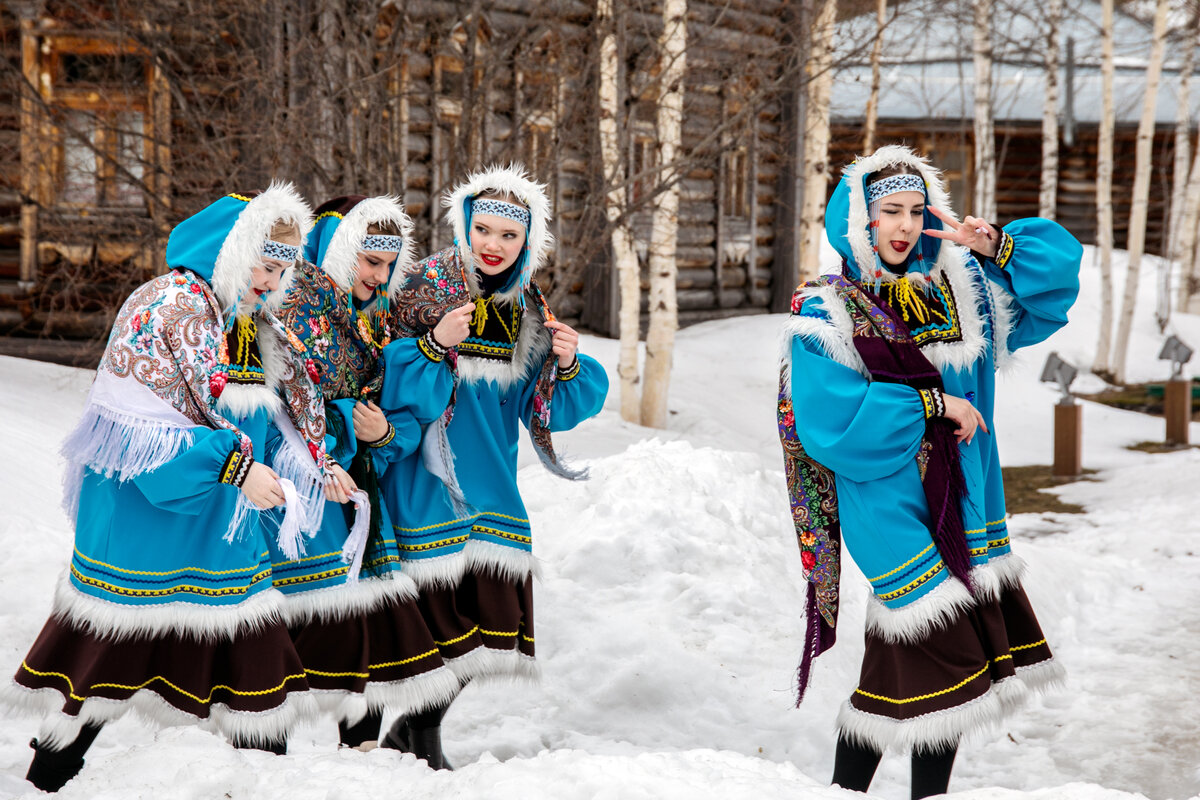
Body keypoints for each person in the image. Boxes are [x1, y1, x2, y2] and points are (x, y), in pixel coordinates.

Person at [1, 184, 330, 792]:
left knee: (256, 679)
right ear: (232, 251)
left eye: (284, 267)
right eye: (263, 260)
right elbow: (149, 435)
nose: (271, 277)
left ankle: (265, 782)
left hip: (213, 532)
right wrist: (238, 469)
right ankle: (41, 785)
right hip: (144, 530)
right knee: (102, 676)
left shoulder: (245, 318)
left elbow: (270, 409)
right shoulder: (170, 304)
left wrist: (310, 461)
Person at [777, 145, 1081, 799]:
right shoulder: (829, 312)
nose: (905, 224)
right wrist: (934, 403)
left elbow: (1056, 285)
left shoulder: (964, 295)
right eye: (890, 210)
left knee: (922, 678)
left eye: (917, 210)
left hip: (965, 508)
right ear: (862, 221)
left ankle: (882, 794)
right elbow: (829, 423)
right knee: (941, 657)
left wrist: (996, 246)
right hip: (889, 509)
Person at [375, 164, 609, 768]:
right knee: (438, 621)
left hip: (493, 482)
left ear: (527, 241)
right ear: (464, 225)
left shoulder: (528, 303)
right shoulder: (423, 286)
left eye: (509, 235)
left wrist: (570, 361)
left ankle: (411, 733)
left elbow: (549, 410)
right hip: (428, 477)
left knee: (488, 623)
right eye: (484, 229)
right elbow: (390, 388)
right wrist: (432, 345)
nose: (493, 245)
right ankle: (416, 741)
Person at [269, 195, 459, 747]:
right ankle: (257, 764)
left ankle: (360, 759)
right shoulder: (290, 307)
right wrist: (345, 427)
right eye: (369, 261)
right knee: (289, 637)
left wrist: (382, 435)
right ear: (336, 248)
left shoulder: (370, 322)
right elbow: (274, 408)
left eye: (387, 266)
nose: (378, 278)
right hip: (298, 499)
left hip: (355, 497)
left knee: (369, 636)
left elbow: (391, 415)